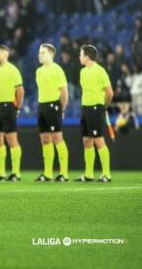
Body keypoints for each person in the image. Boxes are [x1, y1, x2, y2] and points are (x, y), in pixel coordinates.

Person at [0, 45, 24, 182]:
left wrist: (17, 107)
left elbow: (20, 90)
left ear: (6, 54)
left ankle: (16, 172)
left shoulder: (13, 70)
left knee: (12, 139)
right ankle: (0, 172)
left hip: (8, 106)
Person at [77, 44, 113, 182]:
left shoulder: (100, 71)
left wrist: (103, 106)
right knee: (87, 141)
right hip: (85, 109)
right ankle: (88, 174)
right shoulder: (83, 72)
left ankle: (106, 174)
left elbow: (109, 92)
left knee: (99, 140)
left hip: (96, 109)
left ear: (87, 56)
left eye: (81, 54)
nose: (79, 57)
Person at [35, 43, 70, 182]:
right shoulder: (39, 71)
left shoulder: (57, 70)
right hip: (42, 106)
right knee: (45, 139)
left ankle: (64, 173)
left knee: (57, 138)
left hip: (54, 106)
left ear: (50, 54)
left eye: (43, 52)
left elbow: (64, 92)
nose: (40, 55)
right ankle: (48, 173)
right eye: (39, 52)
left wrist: (62, 108)